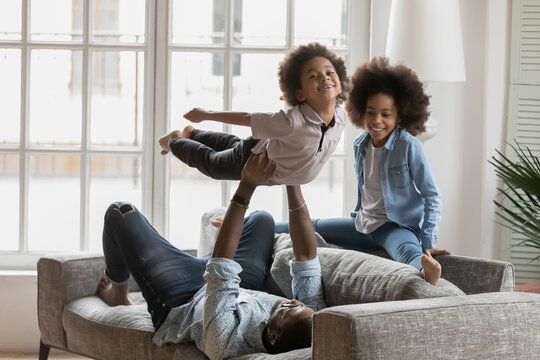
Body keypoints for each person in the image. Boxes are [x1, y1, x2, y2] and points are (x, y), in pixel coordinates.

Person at [96, 153, 325, 360]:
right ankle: (227, 235)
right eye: (298, 303)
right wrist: (293, 181)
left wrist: (247, 184)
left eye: (290, 309)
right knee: (262, 219)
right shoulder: (310, 321)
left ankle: (118, 290)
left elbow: (221, 268)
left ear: (273, 337)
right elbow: (305, 255)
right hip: (237, 282)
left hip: (182, 296)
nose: (294, 301)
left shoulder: (225, 341)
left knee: (120, 212)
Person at [276, 56, 450, 286]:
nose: (376, 120)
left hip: (395, 227)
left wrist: (428, 238)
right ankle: (250, 223)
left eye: (386, 114)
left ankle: (427, 274)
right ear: (361, 111)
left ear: (401, 115)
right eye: (370, 112)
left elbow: (432, 195)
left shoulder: (408, 145)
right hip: (362, 225)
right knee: (310, 224)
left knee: (409, 253)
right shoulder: (361, 144)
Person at [158, 42, 348, 185]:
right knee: (213, 164)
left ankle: (192, 134)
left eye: (330, 73)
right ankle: (174, 141)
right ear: (300, 93)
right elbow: (247, 118)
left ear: (340, 85)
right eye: (313, 76)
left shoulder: (341, 117)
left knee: (233, 145)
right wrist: (207, 114)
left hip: (263, 147)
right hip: (252, 159)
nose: (325, 77)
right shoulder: (292, 121)